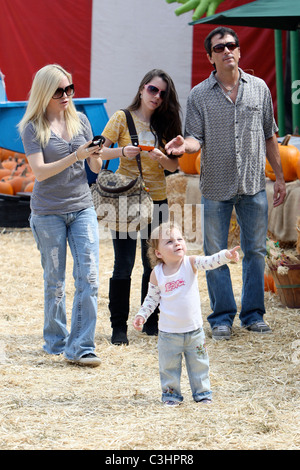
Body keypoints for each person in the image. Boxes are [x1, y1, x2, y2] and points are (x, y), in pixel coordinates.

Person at [165, 27, 286, 341]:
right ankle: (221, 319)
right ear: (210, 57)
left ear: (239, 51)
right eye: (220, 48)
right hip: (216, 186)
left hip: (253, 184)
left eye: (232, 45)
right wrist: (184, 145)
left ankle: (253, 315)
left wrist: (281, 177)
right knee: (215, 253)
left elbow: (270, 136)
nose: (227, 50)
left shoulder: (259, 88)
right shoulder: (199, 95)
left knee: (255, 251)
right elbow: (195, 139)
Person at [18, 64, 103, 366]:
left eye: (70, 89)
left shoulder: (81, 120)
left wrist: (96, 157)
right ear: (45, 93)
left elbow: (93, 167)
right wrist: (76, 156)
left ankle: (81, 347)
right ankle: (55, 340)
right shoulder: (32, 127)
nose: (66, 95)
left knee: (89, 276)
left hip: (82, 206)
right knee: (55, 280)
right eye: (59, 91)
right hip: (48, 212)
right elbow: (39, 173)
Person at [101, 69, 182, 345]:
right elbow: (100, 151)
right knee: (123, 264)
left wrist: (163, 158)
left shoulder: (165, 124)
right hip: (126, 201)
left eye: (162, 93)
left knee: (154, 264)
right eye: (152, 89)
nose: (156, 96)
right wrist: (122, 152)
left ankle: (150, 321)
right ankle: (118, 327)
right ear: (141, 89)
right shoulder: (121, 118)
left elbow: (174, 167)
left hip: (158, 200)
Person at [133, 222, 240, 405]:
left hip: (194, 331)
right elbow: (151, 299)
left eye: (179, 239)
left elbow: (210, 261)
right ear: (158, 253)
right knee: (168, 368)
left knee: (200, 364)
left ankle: (203, 394)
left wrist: (226, 256)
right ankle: (171, 396)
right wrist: (142, 315)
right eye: (169, 242)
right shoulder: (156, 274)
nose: (177, 243)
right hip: (168, 334)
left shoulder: (190, 263)